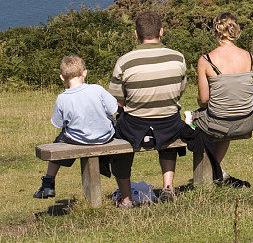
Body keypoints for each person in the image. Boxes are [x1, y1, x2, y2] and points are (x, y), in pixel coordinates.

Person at [108, 11, 187, 207]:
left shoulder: (125, 61)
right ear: (161, 31)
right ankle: (167, 187)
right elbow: (180, 91)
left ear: (136, 34)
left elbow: (116, 100)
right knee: (169, 125)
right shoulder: (178, 58)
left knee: (118, 138)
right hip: (169, 123)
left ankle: (126, 198)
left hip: (134, 125)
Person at [33, 55, 117, 199]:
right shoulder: (97, 89)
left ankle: (48, 181)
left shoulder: (62, 98)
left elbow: (58, 123)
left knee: (61, 139)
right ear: (84, 72)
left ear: (62, 77)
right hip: (105, 137)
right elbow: (112, 109)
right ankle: (104, 161)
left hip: (78, 139)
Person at [186, 12, 253, 187]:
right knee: (224, 121)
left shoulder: (206, 60)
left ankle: (209, 171)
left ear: (216, 32)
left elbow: (203, 99)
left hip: (220, 121)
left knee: (190, 119)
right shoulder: (249, 56)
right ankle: (217, 170)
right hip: (245, 121)